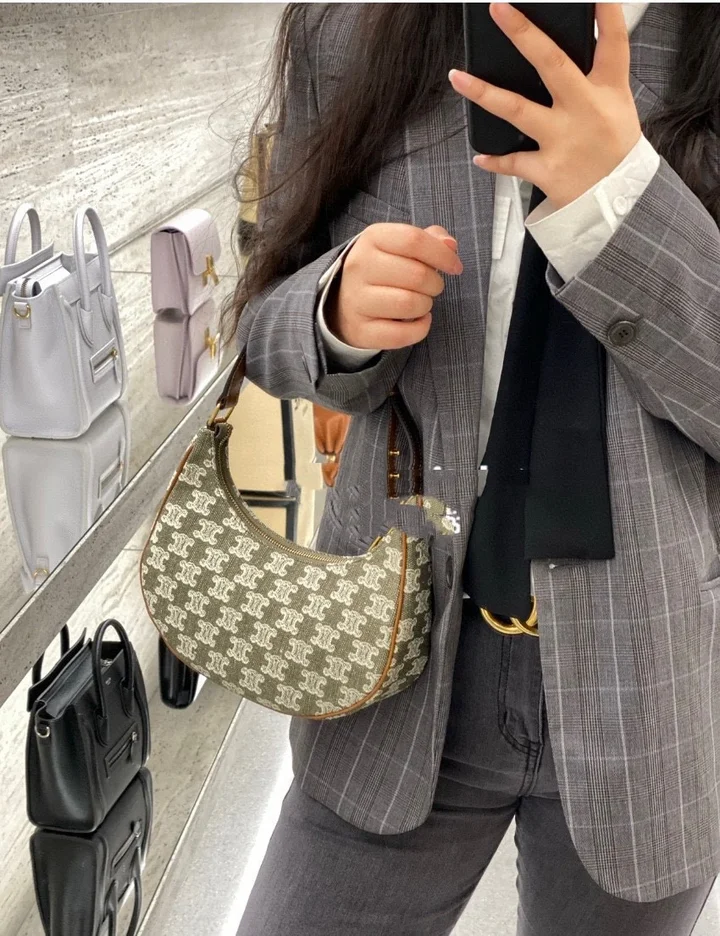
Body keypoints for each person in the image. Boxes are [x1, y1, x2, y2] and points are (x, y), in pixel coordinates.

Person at [228, 4, 720, 933]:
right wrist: (334, 313)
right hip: (389, 662)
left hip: (658, 681)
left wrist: (622, 202)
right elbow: (261, 323)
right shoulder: (350, 28)